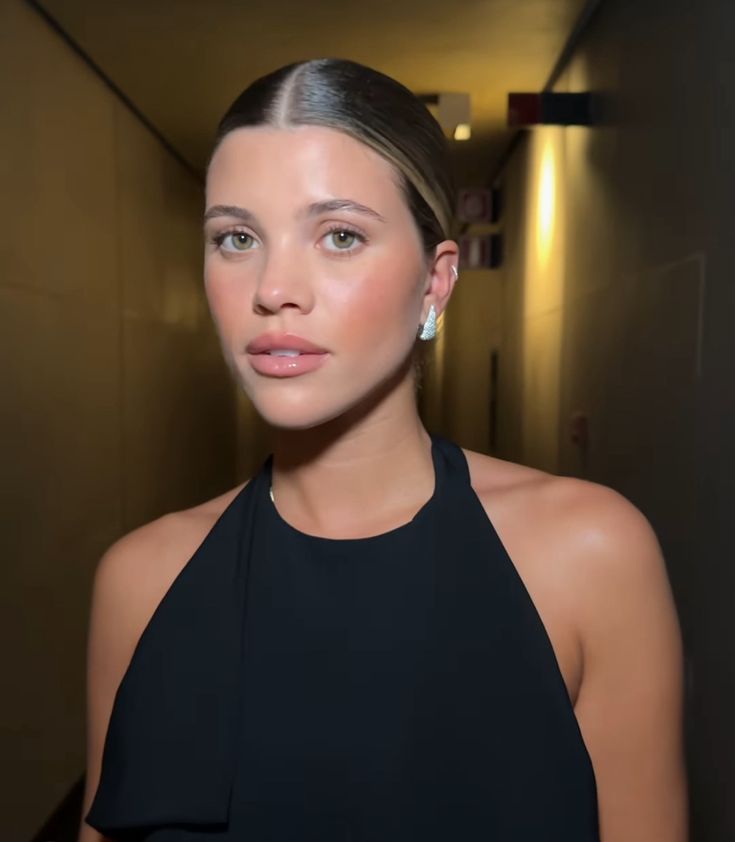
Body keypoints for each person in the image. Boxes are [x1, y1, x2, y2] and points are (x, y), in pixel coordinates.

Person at [78, 58, 687, 842]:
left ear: (435, 283)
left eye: (339, 235)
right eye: (235, 237)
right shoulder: (140, 580)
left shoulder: (588, 554)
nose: (273, 288)